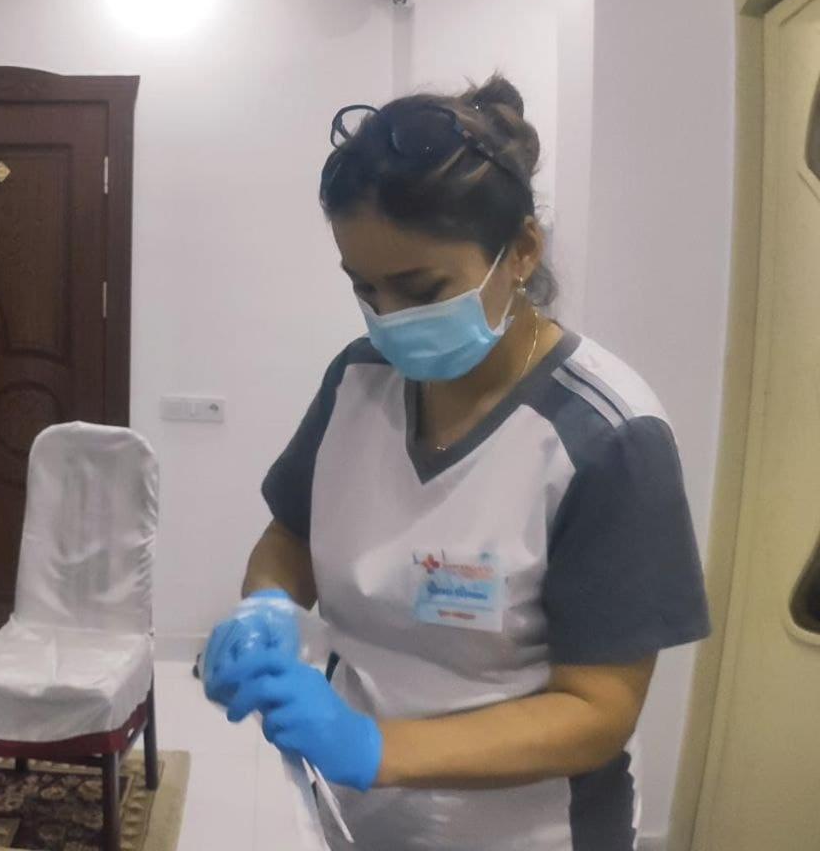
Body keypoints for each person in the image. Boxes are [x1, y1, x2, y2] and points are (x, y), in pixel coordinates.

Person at [201, 76, 711, 851]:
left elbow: (597, 711)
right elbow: (290, 537)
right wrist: (265, 608)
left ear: (522, 251)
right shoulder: (357, 380)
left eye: (421, 288)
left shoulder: (608, 437)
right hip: (358, 812)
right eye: (365, 288)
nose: (389, 318)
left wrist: (375, 746)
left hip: (526, 830)